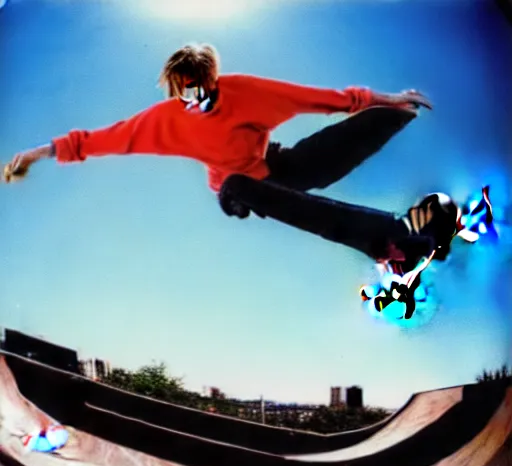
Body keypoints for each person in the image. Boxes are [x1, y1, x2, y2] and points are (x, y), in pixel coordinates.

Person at [3, 43, 432, 214]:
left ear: (213, 81)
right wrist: (37, 154)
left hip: (277, 168)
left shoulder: (246, 92)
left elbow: (325, 99)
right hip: (234, 187)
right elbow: (96, 141)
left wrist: (391, 99)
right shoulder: (163, 120)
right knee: (237, 191)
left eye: (205, 96)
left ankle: (399, 117)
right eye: (186, 99)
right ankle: (246, 200)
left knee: (324, 160)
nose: (198, 107)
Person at [218, 176, 494, 318]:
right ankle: (243, 192)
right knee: (320, 215)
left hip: (379, 236)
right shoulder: (426, 241)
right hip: (387, 231)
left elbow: (423, 254)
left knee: (319, 218)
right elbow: (429, 245)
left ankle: (243, 192)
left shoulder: (414, 264)